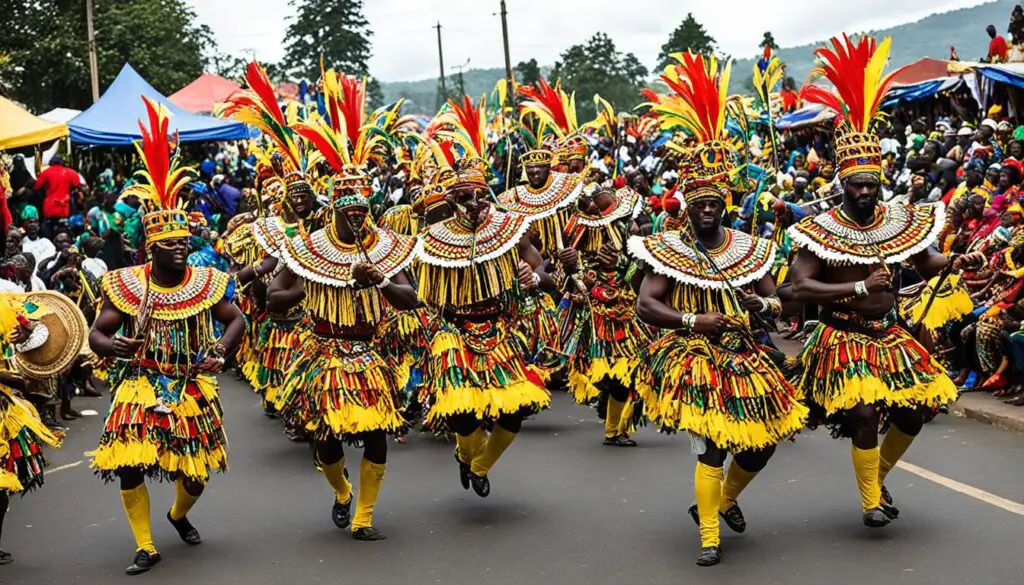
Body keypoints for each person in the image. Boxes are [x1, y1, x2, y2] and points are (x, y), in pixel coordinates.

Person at [629, 52, 807, 567]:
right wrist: (697, 320)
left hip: (743, 353)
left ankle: (722, 501)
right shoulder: (666, 249)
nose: (708, 206)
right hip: (693, 356)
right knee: (711, 445)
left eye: (715, 199)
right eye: (699, 200)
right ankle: (710, 535)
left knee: (760, 446)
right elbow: (647, 304)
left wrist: (764, 301)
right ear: (687, 204)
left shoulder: (749, 247)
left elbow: (783, 296)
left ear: (726, 201)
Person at [790, 34, 971, 530]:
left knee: (914, 413)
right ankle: (870, 501)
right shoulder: (816, 231)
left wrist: (956, 262)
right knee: (866, 413)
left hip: (889, 334)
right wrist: (858, 289)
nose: (867, 191)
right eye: (858, 184)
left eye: (873, 183)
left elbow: (929, 260)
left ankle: (877, 480)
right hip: (841, 337)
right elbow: (797, 291)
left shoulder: (897, 219)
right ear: (842, 183)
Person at [88, 98, 244, 575]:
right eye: (170, 244)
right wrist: (112, 347)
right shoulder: (126, 283)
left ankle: (178, 514)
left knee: (195, 471)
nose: (180, 250)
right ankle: (145, 545)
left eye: (184, 243)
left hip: (192, 382)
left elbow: (236, 319)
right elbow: (97, 334)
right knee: (128, 462)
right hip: (140, 379)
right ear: (151, 248)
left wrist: (219, 350)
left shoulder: (205, 281)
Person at [267, 165, 418, 541]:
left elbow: (410, 299)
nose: (357, 221)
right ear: (330, 210)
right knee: (327, 437)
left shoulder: (385, 245)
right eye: (348, 215)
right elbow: (273, 299)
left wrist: (379, 280)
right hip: (324, 350)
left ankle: (363, 518)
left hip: (369, 350)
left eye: (362, 213)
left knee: (377, 434)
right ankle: (342, 490)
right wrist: (316, 284)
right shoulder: (307, 247)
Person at [416, 159, 553, 499]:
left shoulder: (510, 231)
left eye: (481, 196)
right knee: (462, 413)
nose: (474, 205)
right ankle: (466, 455)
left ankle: (479, 466)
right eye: (465, 197)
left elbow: (547, 279)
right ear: (452, 201)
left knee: (515, 411)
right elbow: (419, 294)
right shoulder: (434, 240)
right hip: (455, 331)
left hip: (499, 329)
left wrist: (533, 278)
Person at [559, 184, 652, 445]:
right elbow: (565, 282)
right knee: (603, 375)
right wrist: (571, 267)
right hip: (593, 315)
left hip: (627, 312)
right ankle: (605, 401)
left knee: (627, 373)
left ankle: (614, 431)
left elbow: (641, 274)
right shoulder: (577, 235)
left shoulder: (630, 234)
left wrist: (621, 264)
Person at [0, 292, 64, 564]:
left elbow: (37, 326)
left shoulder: (5, 303)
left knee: (2, 487)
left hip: (4, 410)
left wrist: (24, 332)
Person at [31, 155, 80, 237]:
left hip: (49, 207)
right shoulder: (70, 172)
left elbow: (36, 187)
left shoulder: (46, 172)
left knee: (47, 231)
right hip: (64, 208)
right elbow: (77, 185)